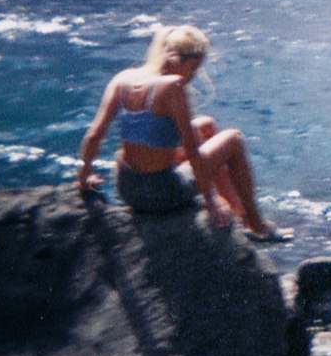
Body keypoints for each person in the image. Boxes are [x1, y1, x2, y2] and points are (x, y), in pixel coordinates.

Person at [77, 24, 287, 241]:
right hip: (161, 193)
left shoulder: (123, 79)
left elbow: (94, 135)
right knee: (233, 139)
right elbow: (192, 151)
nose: (193, 76)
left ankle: (236, 210)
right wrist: (211, 200)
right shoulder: (173, 86)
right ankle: (256, 224)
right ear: (176, 59)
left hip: (127, 187)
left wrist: (85, 176)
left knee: (206, 125)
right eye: (193, 69)